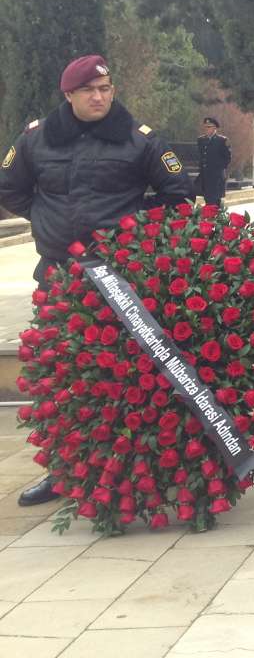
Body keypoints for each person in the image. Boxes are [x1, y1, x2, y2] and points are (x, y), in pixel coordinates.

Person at [0, 54, 193, 506]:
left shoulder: (139, 139)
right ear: (68, 95)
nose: (99, 96)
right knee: (60, 375)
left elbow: (177, 195)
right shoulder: (36, 138)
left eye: (106, 89)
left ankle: (139, 469)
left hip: (119, 275)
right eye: (89, 90)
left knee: (128, 374)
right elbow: (9, 186)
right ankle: (61, 471)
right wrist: (45, 218)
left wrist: (131, 228)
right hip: (60, 274)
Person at [196, 116, 231, 207]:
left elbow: (227, 158)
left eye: (209, 127)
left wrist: (218, 169)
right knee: (207, 200)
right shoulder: (201, 140)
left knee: (215, 201)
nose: (206, 129)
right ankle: (210, 219)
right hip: (205, 176)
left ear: (215, 128)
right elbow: (201, 156)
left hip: (216, 177)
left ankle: (215, 219)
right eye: (205, 127)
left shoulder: (221, 140)